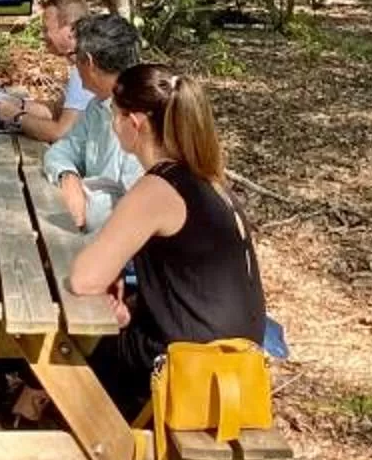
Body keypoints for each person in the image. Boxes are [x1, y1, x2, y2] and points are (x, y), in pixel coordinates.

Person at [66, 63, 266, 416]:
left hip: (187, 367)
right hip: (233, 361)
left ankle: (44, 425)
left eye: (115, 116)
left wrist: (117, 295)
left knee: (66, 342)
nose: (113, 125)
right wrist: (134, 304)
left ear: (135, 123)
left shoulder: (158, 188)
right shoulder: (207, 181)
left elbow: (83, 279)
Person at [47, 11, 146, 232]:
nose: (73, 66)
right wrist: (67, 176)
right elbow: (62, 150)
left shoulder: (141, 118)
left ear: (89, 62)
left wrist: (85, 201)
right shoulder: (96, 106)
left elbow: (135, 211)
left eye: (75, 57)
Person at [6, 0, 98, 145]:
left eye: (46, 29)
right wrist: (18, 104)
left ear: (70, 30)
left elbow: (61, 133)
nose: (42, 36)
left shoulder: (86, 68)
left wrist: (17, 117)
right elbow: (57, 111)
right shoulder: (79, 64)